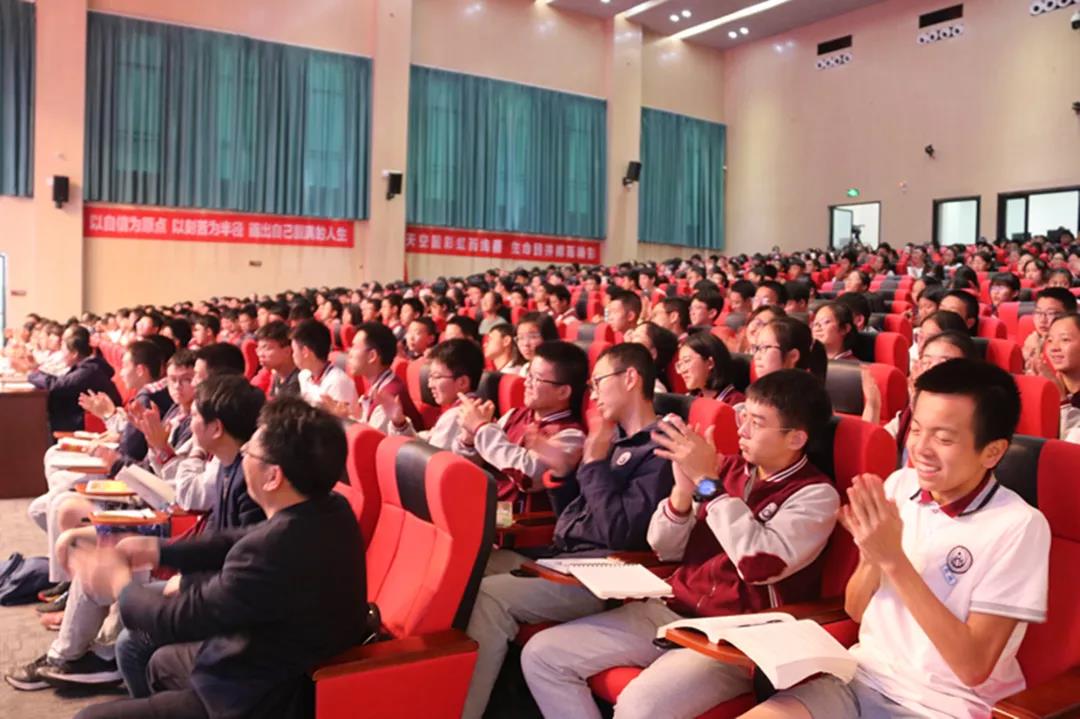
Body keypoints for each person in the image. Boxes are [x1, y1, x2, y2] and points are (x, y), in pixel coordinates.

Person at [521, 369, 837, 719]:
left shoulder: (815, 496)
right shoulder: (728, 469)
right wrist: (682, 493)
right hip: (673, 611)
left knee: (640, 706)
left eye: (757, 422)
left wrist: (707, 482)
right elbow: (666, 549)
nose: (743, 430)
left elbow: (757, 565)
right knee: (542, 653)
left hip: (733, 635)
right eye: (743, 416)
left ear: (796, 438)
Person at [744, 360, 1049, 719]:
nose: (921, 448)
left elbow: (973, 667)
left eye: (944, 438)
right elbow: (856, 610)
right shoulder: (900, 485)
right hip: (859, 680)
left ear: (992, 452)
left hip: (941, 707)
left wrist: (893, 560)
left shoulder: (1019, 526)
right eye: (916, 429)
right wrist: (872, 555)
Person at [70, 396, 368, 719]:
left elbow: (177, 620)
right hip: (273, 661)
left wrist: (119, 583)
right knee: (159, 663)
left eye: (249, 452)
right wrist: (158, 550)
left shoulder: (273, 549)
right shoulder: (330, 508)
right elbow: (235, 539)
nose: (243, 456)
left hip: (258, 697)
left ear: (273, 476)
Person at [461, 343, 675, 719]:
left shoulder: (658, 448)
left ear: (630, 378)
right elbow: (576, 519)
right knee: (471, 567)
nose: (592, 394)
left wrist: (592, 463)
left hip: (604, 575)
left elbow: (621, 533)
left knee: (489, 597)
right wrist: (562, 477)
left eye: (598, 382)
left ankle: (466, 711)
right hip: (566, 560)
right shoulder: (613, 441)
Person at [457, 341, 588, 505]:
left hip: (516, 518)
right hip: (487, 505)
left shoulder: (571, 436)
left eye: (536, 379)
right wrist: (469, 439)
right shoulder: (515, 414)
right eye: (528, 375)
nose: (526, 383)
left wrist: (481, 428)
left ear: (563, 392)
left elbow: (528, 476)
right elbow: (477, 462)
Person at [864, 330, 976, 466]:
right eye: (926, 362)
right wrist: (873, 406)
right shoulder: (905, 417)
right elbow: (874, 450)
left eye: (945, 363)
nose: (932, 369)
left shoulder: (971, 421)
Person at [383, 338, 485, 449]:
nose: (430, 385)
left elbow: (430, 457)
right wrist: (400, 423)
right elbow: (425, 446)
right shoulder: (461, 410)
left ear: (462, 382)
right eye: (430, 377)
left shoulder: (458, 416)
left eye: (436, 377)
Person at [27, 328, 122, 432]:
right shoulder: (88, 366)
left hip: (91, 421)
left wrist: (33, 373)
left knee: (38, 418)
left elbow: (56, 385)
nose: (62, 354)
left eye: (64, 350)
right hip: (83, 415)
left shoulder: (89, 370)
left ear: (74, 353)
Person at [346, 322, 423, 433]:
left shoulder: (388, 397)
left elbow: (370, 440)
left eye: (354, 347)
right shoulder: (379, 385)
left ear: (372, 356)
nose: (349, 353)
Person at [290, 319, 358, 410]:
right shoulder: (304, 375)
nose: (293, 355)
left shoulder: (337, 383)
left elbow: (341, 418)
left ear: (305, 352)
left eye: (294, 351)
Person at [675, 331, 744, 406]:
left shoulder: (735, 404)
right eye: (680, 364)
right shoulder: (691, 400)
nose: (682, 371)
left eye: (687, 361)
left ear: (710, 363)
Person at [753, 317, 827, 381]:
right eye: (757, 348)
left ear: (793, 356)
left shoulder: (803, 392)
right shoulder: (760, 390)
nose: (757, 356)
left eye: (764, 347)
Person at [1022, 288, 1076, 376]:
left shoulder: (1072, 346)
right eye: (1038, 312)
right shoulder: (1032, 341)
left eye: (1051, 313)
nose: (1042, 320)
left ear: (1070, 314)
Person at [1044, 313, 1080, 442]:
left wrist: (1062, 402)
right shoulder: (1046, 387)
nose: (1054, 348)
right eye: (1050, 340)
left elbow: (1071, 448)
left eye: (1065, 340)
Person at [254, 320, 300, 398]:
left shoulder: (299, 381)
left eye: (267, 348)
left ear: (287, 351)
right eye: (259, 349)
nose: (260, 354)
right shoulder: (278, 375)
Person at [514, 312, 560, 377]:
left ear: (548, 338)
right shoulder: (525, 368)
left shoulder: (556, 372)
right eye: (521, 337)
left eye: (533, 337)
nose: (525, 344)